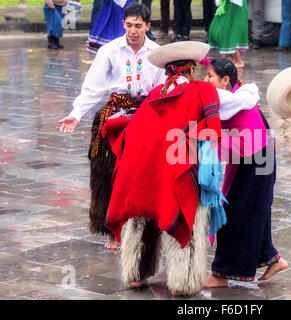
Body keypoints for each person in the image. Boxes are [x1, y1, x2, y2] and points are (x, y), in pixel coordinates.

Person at [102, 41, 225, 296]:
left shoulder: (155, 94)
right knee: (185, 221)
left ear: (169, 72)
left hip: (143, 170)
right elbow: (214, 132)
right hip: (181, 165)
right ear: (190, 70)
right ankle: (182, 283)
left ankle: (136, 275)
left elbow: (135, 130)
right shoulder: (203, 91)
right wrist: (187, 135)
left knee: (143, 217)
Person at [58, 3, 166, 250]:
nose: (133, 31)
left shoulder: (158, 53)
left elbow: (161, 90)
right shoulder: (109, 51)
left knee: (141, 174)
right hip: (113, 115)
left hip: (145, 117)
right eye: (129, 25)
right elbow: (93, 88)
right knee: (106, 172)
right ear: (123, 24)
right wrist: (76, 114)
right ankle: (110, 229)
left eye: (138, 26)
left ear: (147, 26)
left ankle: (141, 224)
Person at [203, 58, 288, 288]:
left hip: (257, 162)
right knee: (253, 213)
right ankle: (274, 259)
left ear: (225, 80)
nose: (205, 81)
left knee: (235, 215)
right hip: (256, 159)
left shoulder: (231, 99)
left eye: (209, 76)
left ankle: (221, 274)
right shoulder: (241, 94)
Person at [208, 0, 249, 68]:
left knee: (231, 32)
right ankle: (229, 56)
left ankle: (239, 61)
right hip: (228, 4)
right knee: (222, 30)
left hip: (236, 5)